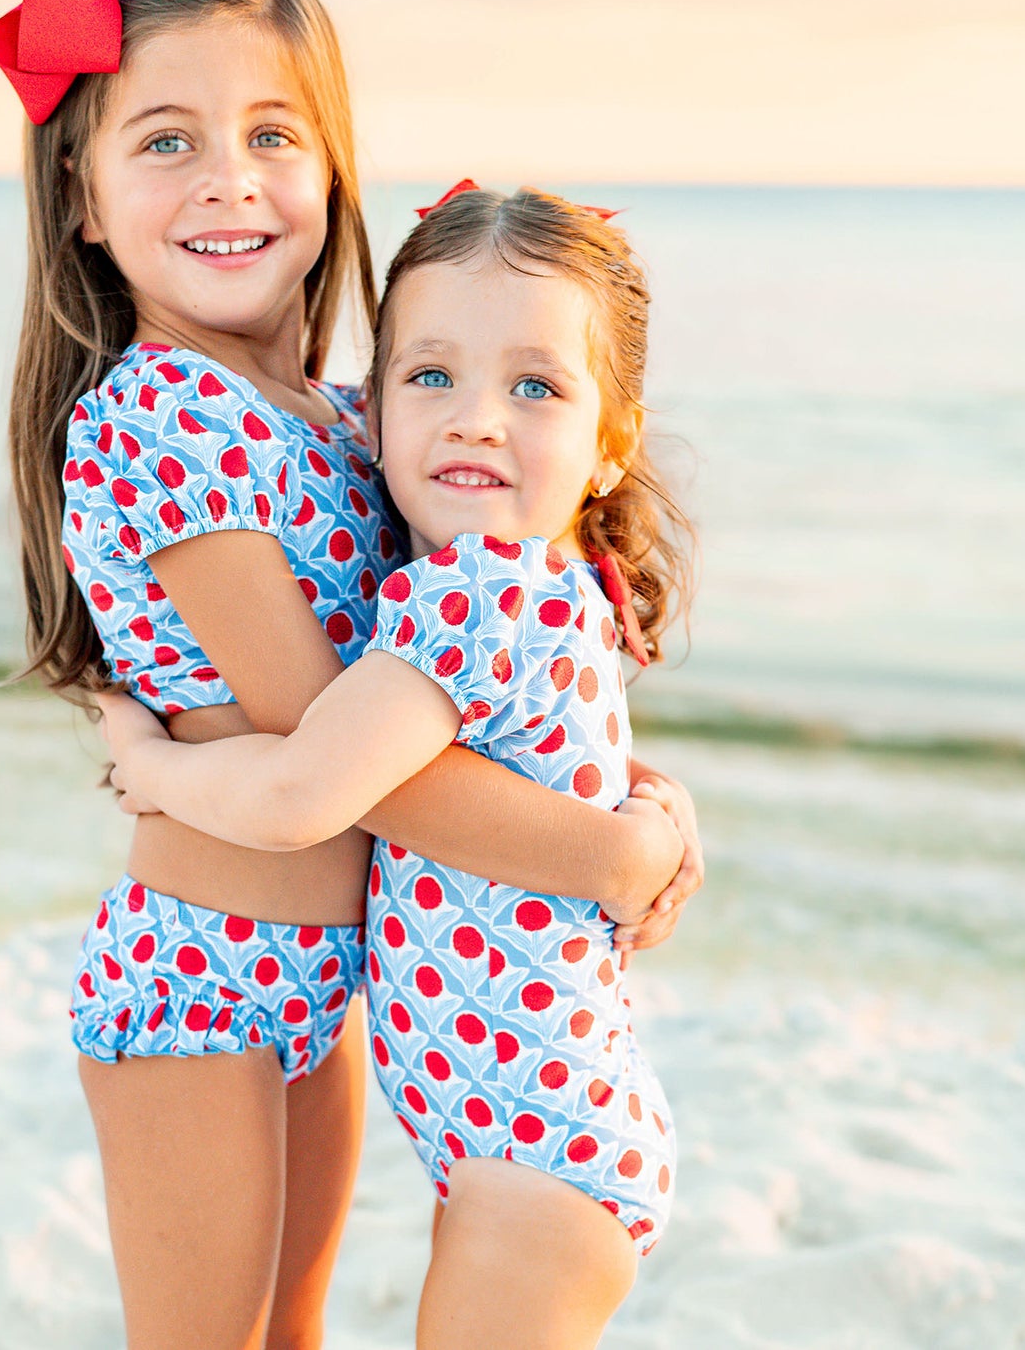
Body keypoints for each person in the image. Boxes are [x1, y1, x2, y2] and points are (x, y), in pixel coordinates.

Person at [0, 0, 703, 1342]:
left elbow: (482, 682)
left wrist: (637, 782)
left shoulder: (342, 416)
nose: (228, 181)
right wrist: (610, 850)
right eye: (166, 140)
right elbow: (347, 756)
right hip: (199, 974)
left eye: (272, 134)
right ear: (81, 192)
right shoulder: (161, 418)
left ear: (330, 168)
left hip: (327, 976)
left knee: (294, 1327)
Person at [99, 182, 696, 1348]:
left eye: (533, 386)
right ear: (366, 414)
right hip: (544, 1138)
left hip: (534, 1153)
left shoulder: (475, 590)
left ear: (608, 441)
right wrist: (656, 826)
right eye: (431, 376)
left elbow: (296, 793)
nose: (474, 417)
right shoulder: (543, 581)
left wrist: (150, 762)